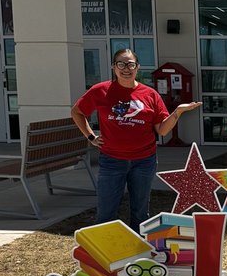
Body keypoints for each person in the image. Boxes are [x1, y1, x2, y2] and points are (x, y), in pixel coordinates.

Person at [71, 48, 202, 233]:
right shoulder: (100, 91)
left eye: (130, 64)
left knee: (140, 214)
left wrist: (177, 112)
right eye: (121, 64)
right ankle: (106, 257)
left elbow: (162, 129)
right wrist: (91, 136)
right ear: (113, 67)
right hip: (111, 161)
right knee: (106, 214)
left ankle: (138, 254)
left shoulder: (150, 95)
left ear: (137, 67)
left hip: (144, 161)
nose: (126, 68)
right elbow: (77, 112)